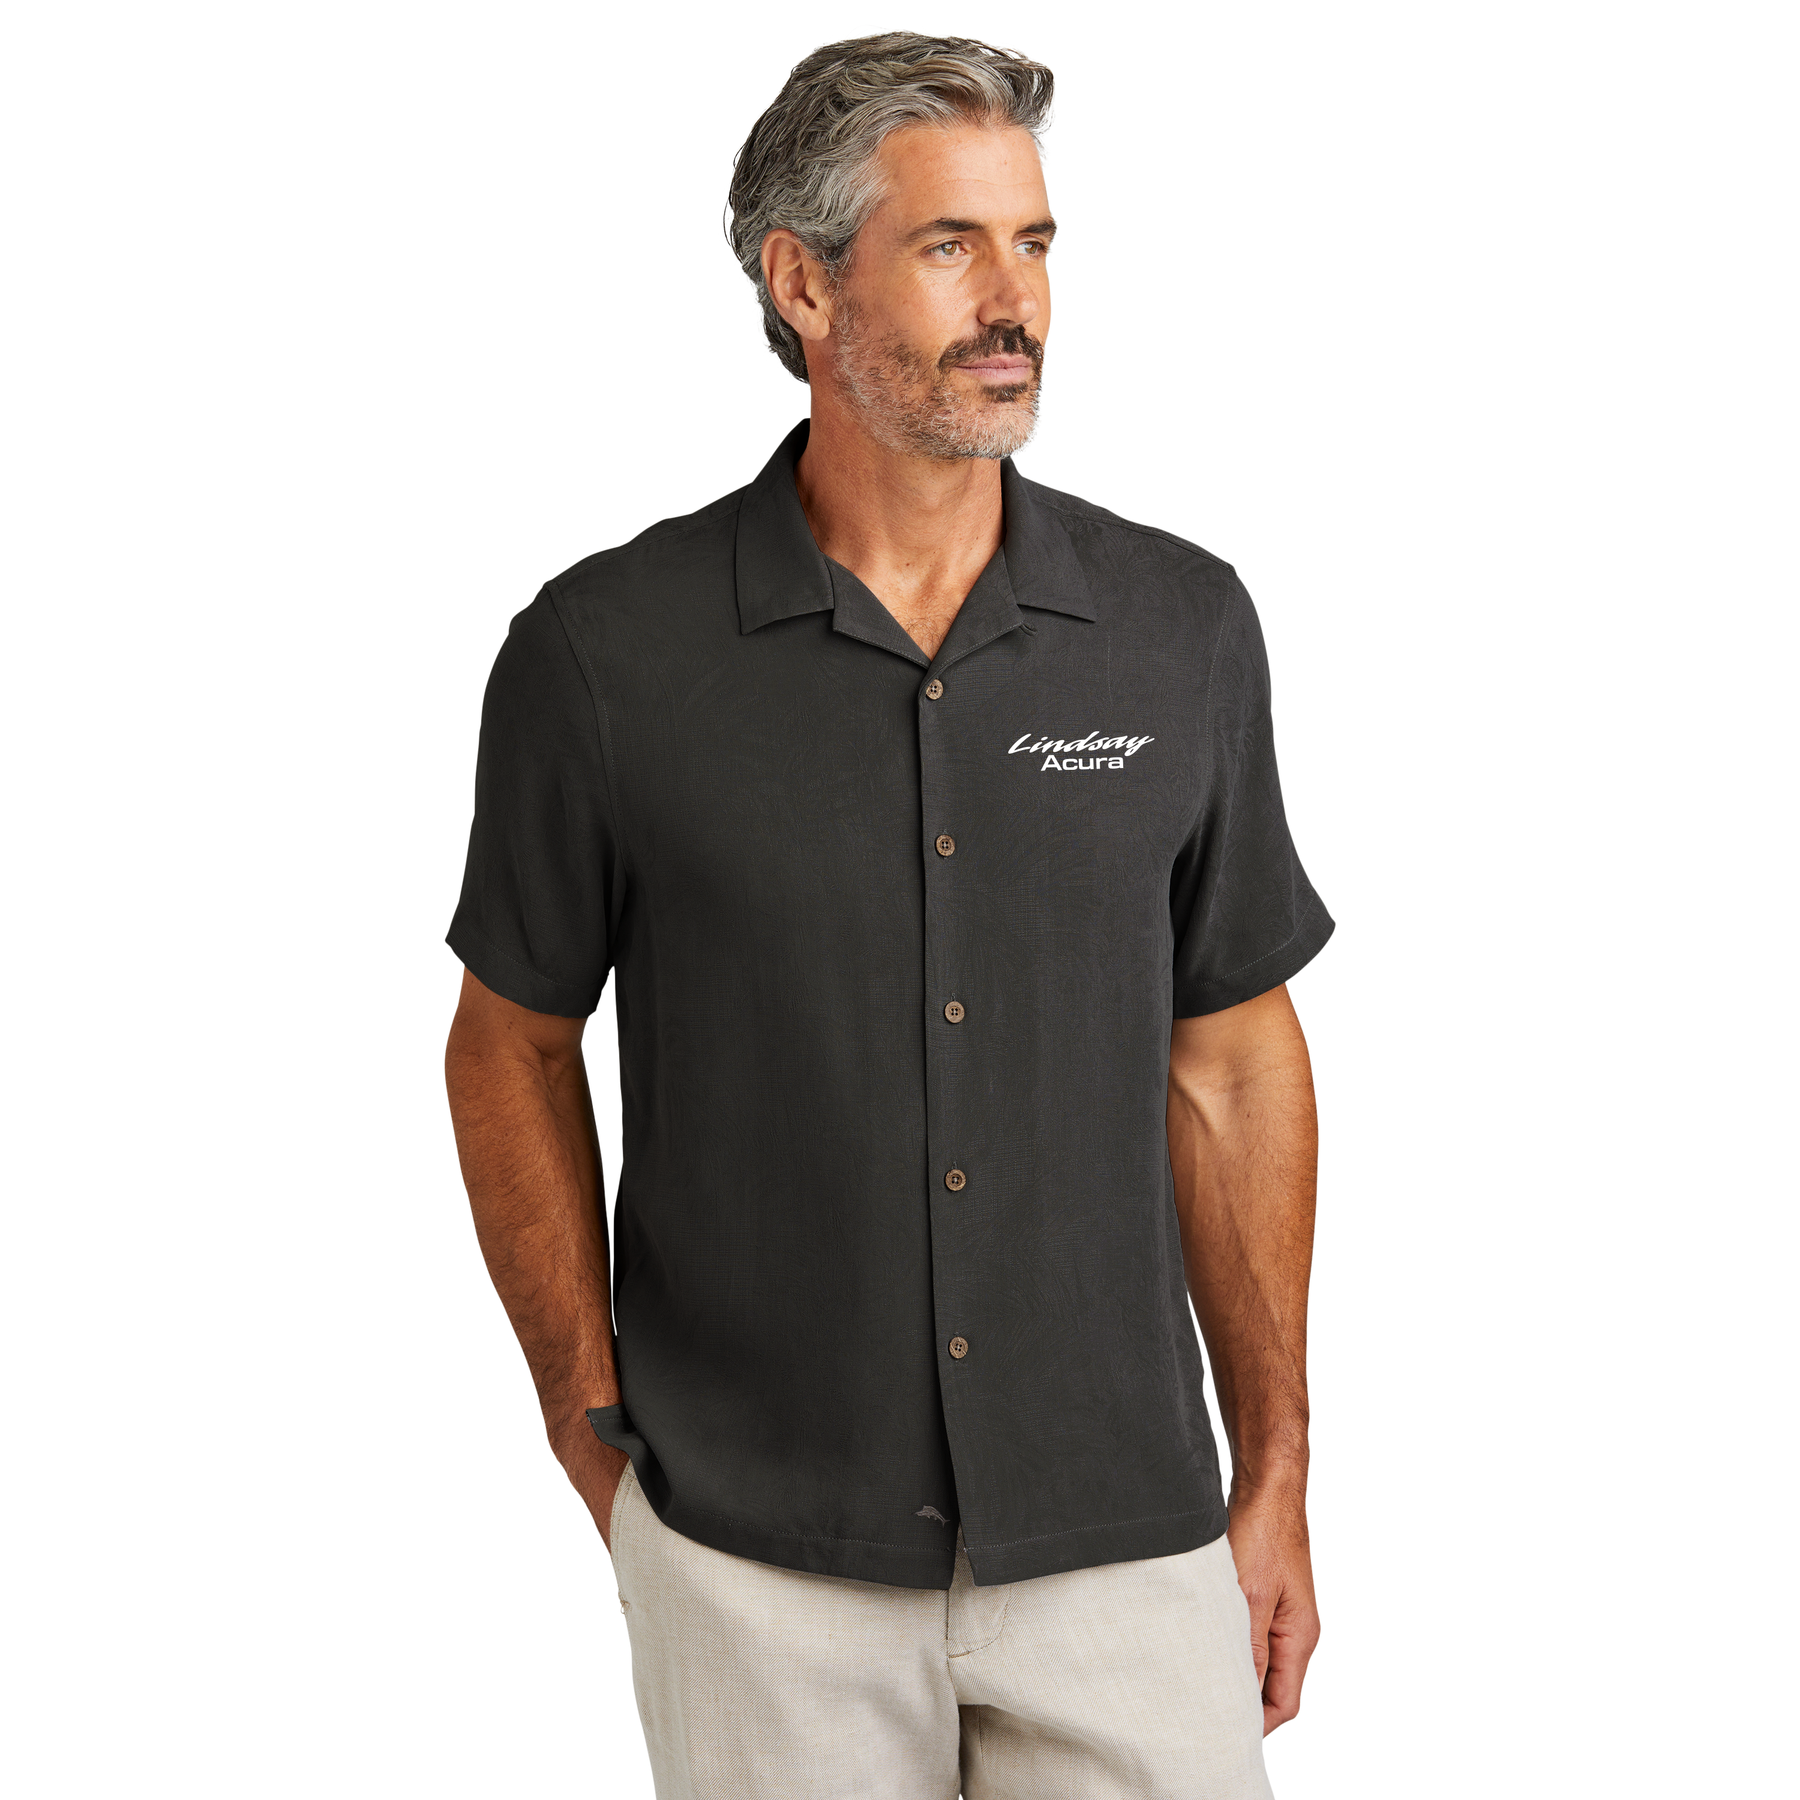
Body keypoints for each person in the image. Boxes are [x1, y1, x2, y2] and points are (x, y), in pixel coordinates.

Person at [444, 31, 1333, 1799]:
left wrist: (1279, 1465)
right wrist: (585, 1425)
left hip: (1127, 1542)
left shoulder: (1179, 630)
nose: (1016, 304)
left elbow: (1232, 1062)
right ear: (803, 282)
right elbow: (511, 1044)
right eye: (949, 246)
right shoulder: (604, 655)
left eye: (1035, 243)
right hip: (758, 1560)